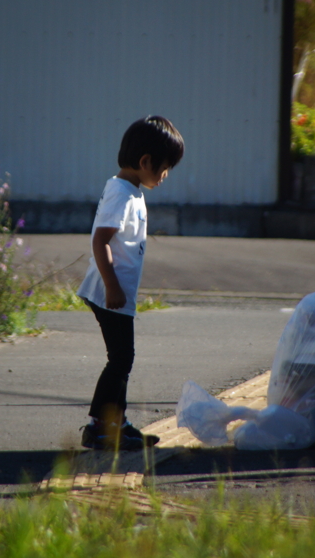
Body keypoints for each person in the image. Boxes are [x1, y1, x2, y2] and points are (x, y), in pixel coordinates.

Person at [77, 115, 184, 450]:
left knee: (122, 359)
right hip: (110, 293)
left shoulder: (129, 190)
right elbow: (100, 241)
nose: (165, 176)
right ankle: (101, 427)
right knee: (121, 359)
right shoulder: (122, 194)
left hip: (117, 292)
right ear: (145, 161)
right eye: (165, 168)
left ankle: (114, 423)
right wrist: (111, 286)